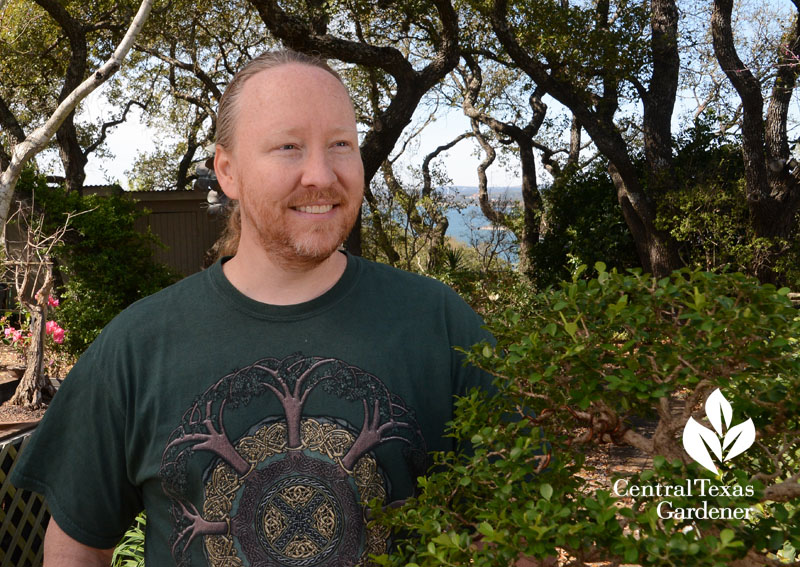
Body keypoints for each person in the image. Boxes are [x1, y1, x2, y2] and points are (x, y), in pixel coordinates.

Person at [10, 50, 492, 566]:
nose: (320, 174)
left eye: (340, 145)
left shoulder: (442, 326)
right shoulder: (136, 347)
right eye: (289, 146)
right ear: (228, 171)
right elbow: (76, 550)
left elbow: (510, 534)